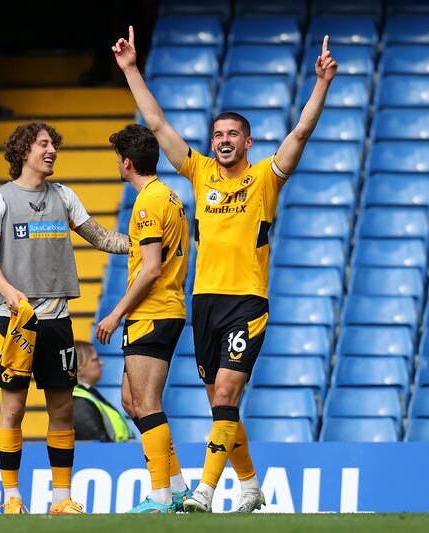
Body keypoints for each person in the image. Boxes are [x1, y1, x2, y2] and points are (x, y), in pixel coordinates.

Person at [113, 27, 338, 513]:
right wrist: (131, 69)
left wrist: (321, 84)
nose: (223, 140)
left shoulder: (265, 177)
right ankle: (252, 485)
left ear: (249, 141)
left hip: (247, 301)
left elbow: (300, 133)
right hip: (205, 303)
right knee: (221, 403)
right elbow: (157, 124)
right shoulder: (199, 174)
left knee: (229, 390)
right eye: (217, 134)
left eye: (232, 134)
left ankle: (204, 492)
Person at [0, 122, 130, 515]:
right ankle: (11, 498)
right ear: (24, 151)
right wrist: (10, 294)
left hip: (58, 319)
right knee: (13, 410)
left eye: (53, 145)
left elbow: (99, 237)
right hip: (14, 322)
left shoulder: (64, 196)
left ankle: (61, 500)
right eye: (44, 144)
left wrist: (143, 244)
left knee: (61, 410)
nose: (52, 151)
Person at [95, 123, 193, 513]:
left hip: (154, 311)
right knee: (131, 403)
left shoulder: (149, 203)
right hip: (155, 313)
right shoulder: (167, 196)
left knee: (147, 403)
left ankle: (161, 496)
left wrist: (115, 313)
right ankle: (178, 486)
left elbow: (151, 268)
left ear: (127, 163)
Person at [72, 340, 132, 443]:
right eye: (95, 360)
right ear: (79, 366)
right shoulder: (79, 401)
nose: (101, 363)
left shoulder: (88, 395)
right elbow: (94, 445)